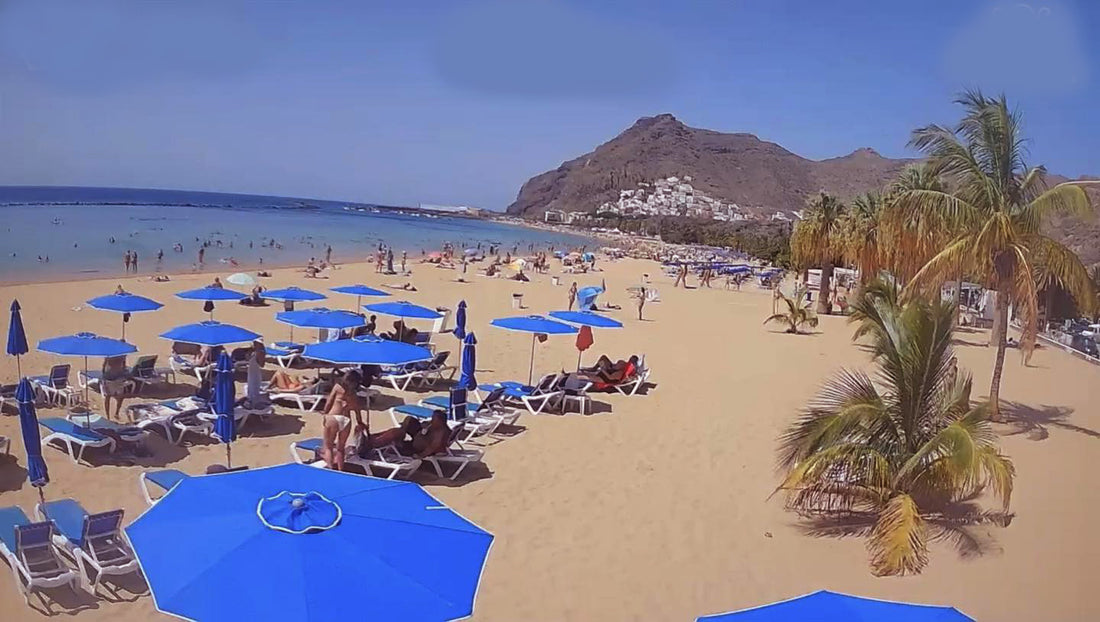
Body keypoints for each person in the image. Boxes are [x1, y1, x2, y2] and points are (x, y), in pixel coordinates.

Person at [321, 370, 361, 470]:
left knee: (328, 446)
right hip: (346, 420)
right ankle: (340, 470)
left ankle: (330, 469)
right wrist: (360, 422)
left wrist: (325, 414)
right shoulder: (354, 394)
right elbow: (357, 410)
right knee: (341, 448)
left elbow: (329, 402)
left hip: (334, 417)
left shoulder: (338, 387)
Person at [101, 355, 130, 420]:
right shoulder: (110, 354)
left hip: (117, 377)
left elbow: (124, 365)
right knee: (108, 397)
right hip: (110, 378)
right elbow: (104, 365)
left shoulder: (122, 354)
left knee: (120, 397)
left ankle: (116, 413)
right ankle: (108, 416)